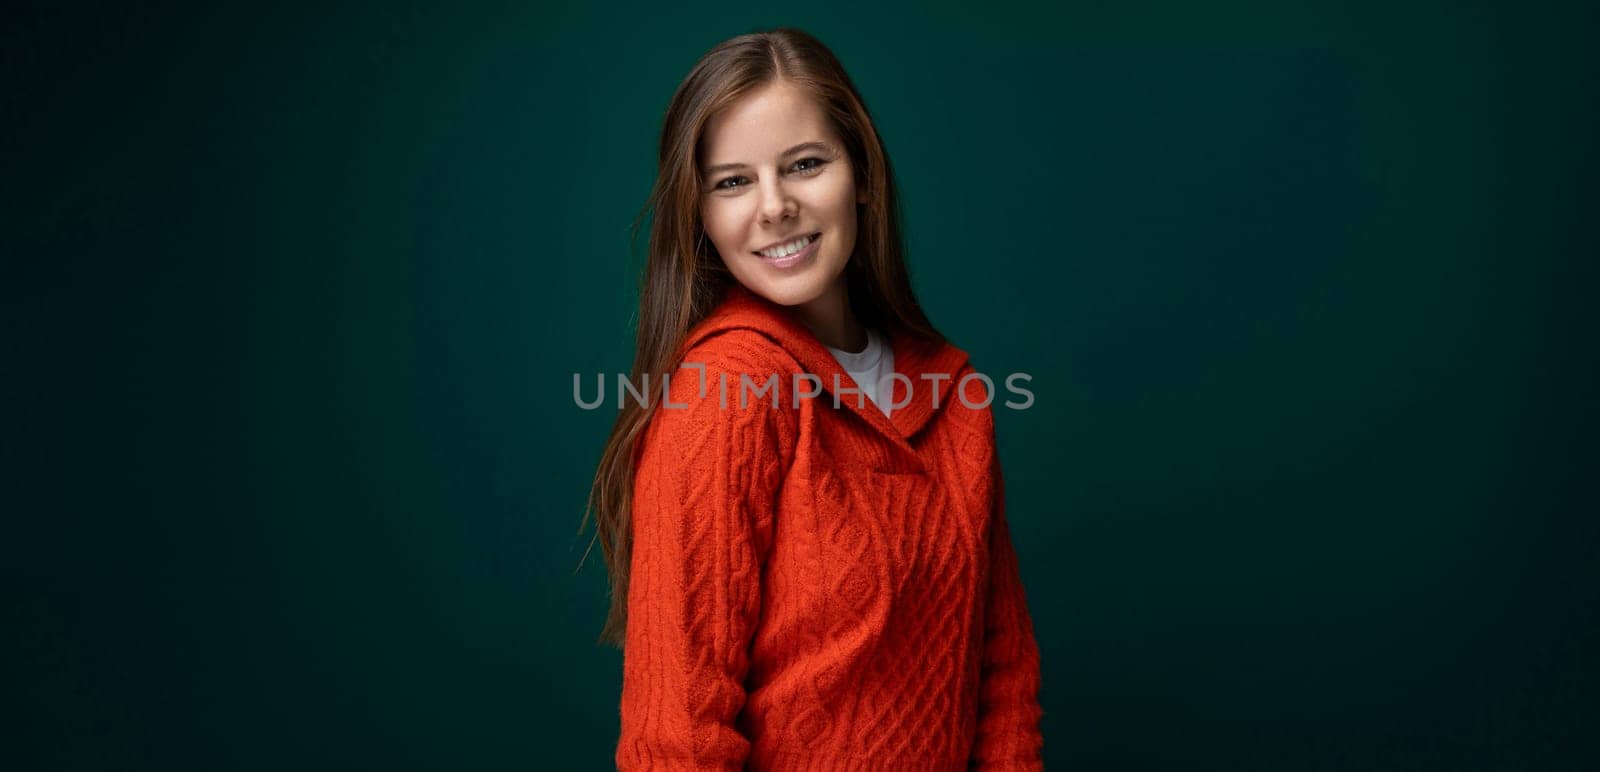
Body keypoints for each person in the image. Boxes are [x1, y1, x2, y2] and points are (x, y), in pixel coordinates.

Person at [581, 27, 1044, 770]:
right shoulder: (725, 392)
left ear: (860, 173)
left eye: (804, 165)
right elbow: (677, 738)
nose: (775, 207)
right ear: (698, 215)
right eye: (732, 181)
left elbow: (1004, 683)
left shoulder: (954, 396)